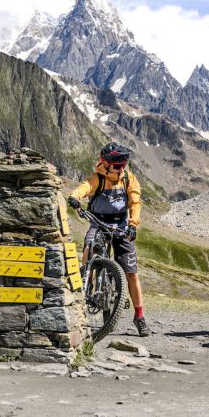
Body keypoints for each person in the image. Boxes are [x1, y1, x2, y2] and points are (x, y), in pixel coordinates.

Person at [67, 142, 150, 337]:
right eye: (117, 165)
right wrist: (74, 197)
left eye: (123, 165)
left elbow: (135, 202)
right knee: (88, 249)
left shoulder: (129, 179)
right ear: (105, 163)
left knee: (131, 273)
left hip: (121, 226)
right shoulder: (98, 178)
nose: (121, 169)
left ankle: (139, 316)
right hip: (98, 222)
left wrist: (133, 224)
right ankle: (87, 284)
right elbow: (85, 187)